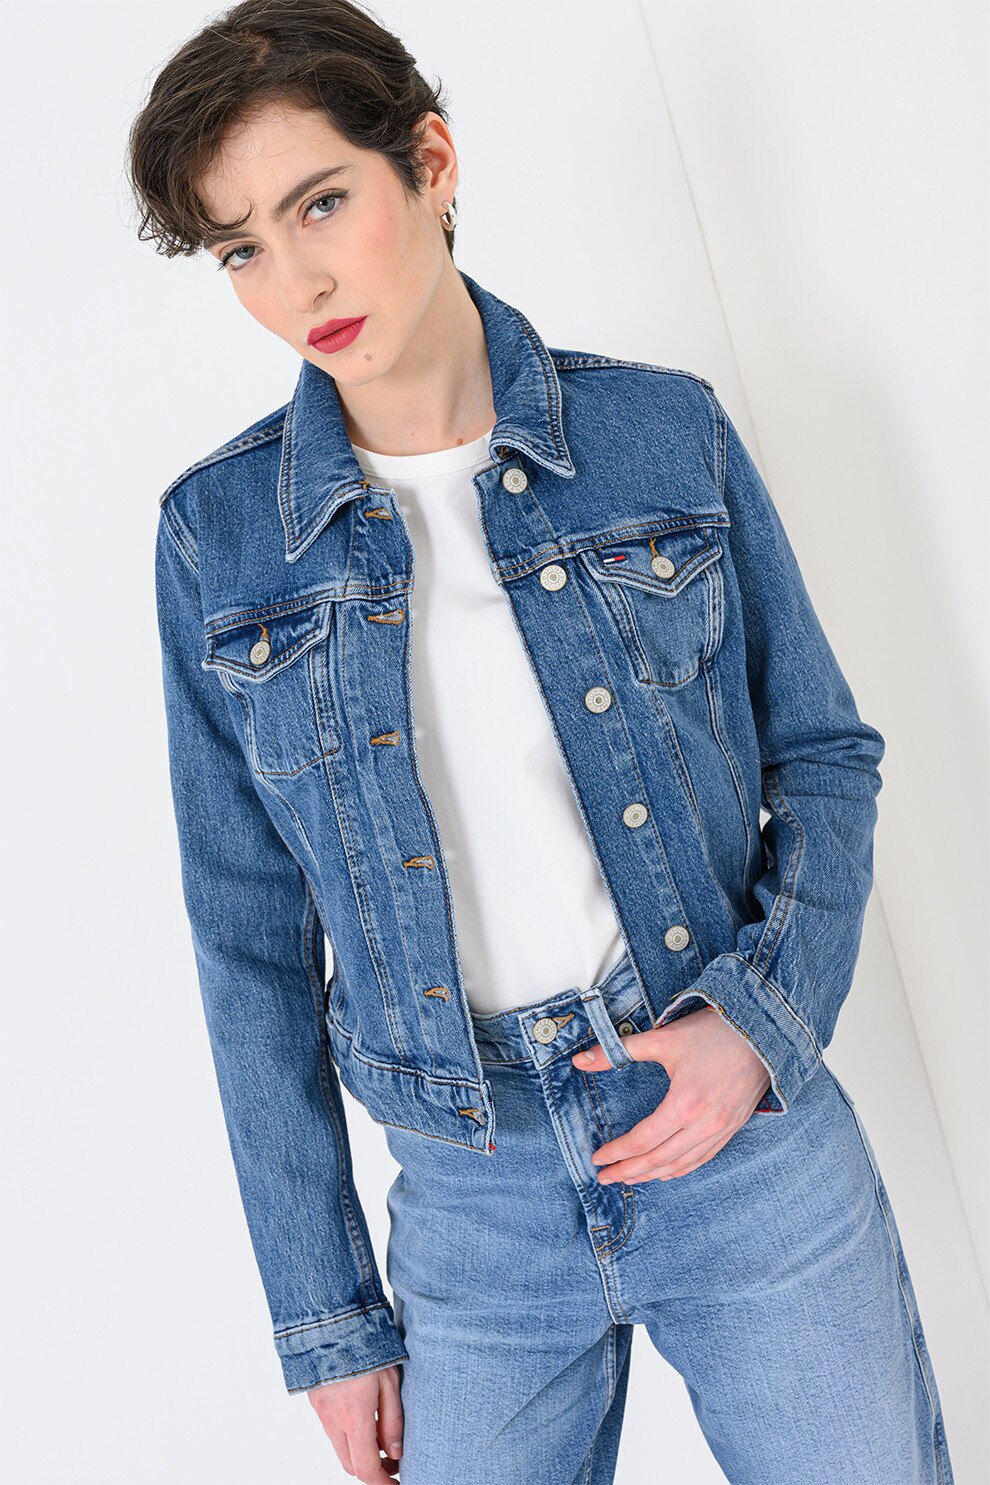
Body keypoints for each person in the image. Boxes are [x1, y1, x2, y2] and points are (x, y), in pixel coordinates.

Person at [128, 2, 955, 1481]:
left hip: (740, 1139)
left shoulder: (661, 436)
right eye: (240, 247)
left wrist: (758, 1030)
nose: (295, 281)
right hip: (473, 1196)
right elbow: (247, 945)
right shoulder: (221, 539)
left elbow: (824, 757)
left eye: (320, 203)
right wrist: (328, 1319)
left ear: (430, 161)